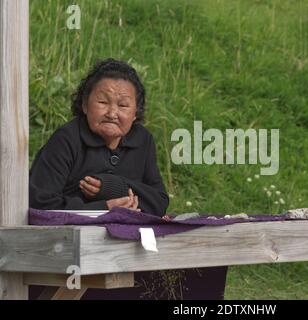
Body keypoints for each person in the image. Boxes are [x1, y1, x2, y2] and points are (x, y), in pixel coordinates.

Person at [29, 58, 227, 300]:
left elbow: (158, 201)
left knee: (199, 263)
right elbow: (41, 207)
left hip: (125, 253)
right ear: (84, 104)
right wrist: (105, 209)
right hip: (66, 258)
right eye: (102, 102)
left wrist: (115, 188)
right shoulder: (66, 141)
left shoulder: (142, 141)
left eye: (123, 105)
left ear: (136, 112)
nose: (112, 113)